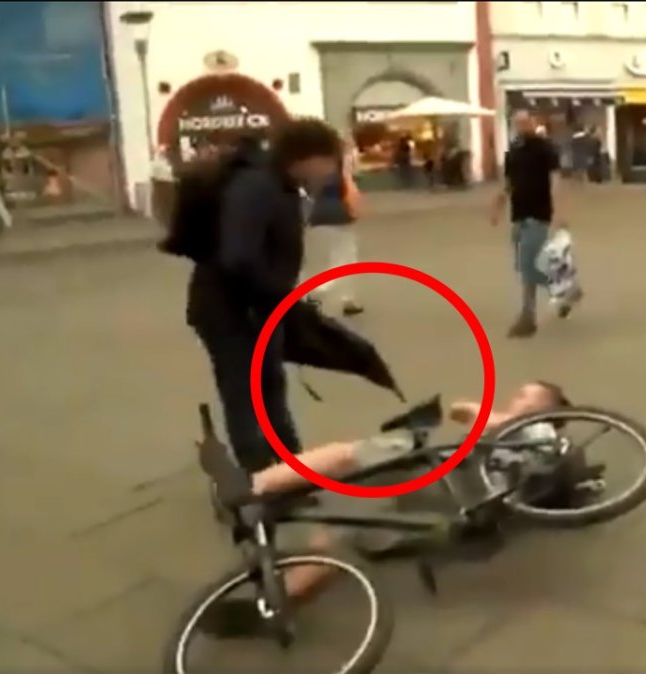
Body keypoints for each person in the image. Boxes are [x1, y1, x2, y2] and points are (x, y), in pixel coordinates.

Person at [200, 381, 571, 638]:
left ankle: (256, 490)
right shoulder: (527, 439)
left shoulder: (540, 434)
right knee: (344, 522)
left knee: (353, 458)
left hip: (444, 485)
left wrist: (484, 412)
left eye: (526, 395)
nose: (517, 398)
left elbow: (466, 412)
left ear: (545, 407)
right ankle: (279, 597)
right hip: (440, 482)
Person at [186, 119, 344, 474]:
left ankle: (290, 467)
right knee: (244, 390)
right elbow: (238, 257)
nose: (333, 172)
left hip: (258, 308)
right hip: (229, 311)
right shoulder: (257, 187)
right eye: (331, 162)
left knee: (270, 385)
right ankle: (260, 477)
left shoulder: (280, 185)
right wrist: (278, 293)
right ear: (308, 157)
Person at [490, 110, 580, 339]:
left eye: (525, 121)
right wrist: (498, 206)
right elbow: (508, 182)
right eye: (517, 122)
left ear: (532, 122)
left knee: (528, 266)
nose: (521, 126)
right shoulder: (513, 151)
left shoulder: (544, 148)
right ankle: (567, 289)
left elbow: (555, 180)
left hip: (538, 214)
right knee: (525, 266)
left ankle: (527, 318)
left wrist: (560, 211)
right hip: (518, 215)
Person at [305, 142, 365, 316]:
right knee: (345, 260)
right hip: (338, 215)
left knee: (338, 258)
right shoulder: (339, 170)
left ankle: (349, 299)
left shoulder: (314, 171)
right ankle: (314, 291)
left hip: (318, 215)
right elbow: (351, 189)